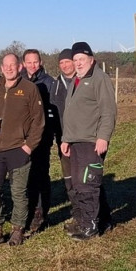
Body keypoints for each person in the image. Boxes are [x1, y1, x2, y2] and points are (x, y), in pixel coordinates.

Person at [0, 53, 45, 247]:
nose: (9, 68)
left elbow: (38, 121)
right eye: (5, 65)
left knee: (18, 192)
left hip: (19, 149)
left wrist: (28, 146)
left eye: (13, 65)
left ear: (20, 68)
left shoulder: (29, 89)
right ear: (1, 68)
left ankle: (18, 229)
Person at [60, 41, 117, 240]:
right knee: (79, 183)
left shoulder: (99, 78)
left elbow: (108, 111)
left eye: (82, 59)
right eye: (75, 59)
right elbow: (70, 113)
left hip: (91, 141)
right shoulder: (76, 80)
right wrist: (66, 139)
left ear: (91, 59)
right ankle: (95, 219)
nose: (78, 63)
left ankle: (90, 226)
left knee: (87, 183)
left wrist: (103, 137)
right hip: (75, 141)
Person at [20, 48, 56, 233]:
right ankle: (25, 210)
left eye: (36, 62)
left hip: (42, 138)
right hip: (21, 138)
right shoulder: (18, 81)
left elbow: (54, 111)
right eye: (29, 62)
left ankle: (41, 213)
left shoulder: (49, 83)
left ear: (40, 62)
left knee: (41, 175)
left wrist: (52, 135)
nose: (32, 65)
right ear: (23, 63)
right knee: (24, 176)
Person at [50, 48, 76, 200]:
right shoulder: (56, 85)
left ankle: (97, 214)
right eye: (61, 62)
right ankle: (76, 209)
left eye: (68, 61)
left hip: (82, 138)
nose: (65, 65)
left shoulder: (83, 81)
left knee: (86, 177)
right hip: (62, 138)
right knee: (68, 174)